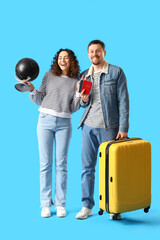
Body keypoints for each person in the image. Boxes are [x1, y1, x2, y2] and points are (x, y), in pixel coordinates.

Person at [76, 40, 129, 220]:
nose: (94, 54)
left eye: (97, 51)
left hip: (110, 128)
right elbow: (82, 104)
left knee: (113, 169)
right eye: (91, 52)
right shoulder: (84, 75)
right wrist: (83, 99)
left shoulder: (116, 72)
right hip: (88, 127)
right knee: (87, 168)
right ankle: (86, 206)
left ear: (104, 52)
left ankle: (114, 207)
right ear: (88, 54)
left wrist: (123, 127)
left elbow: (123, 101)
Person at [24, 49, 81, 218]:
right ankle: (45, 204)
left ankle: (61, 204)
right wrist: (32, 90)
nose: (62, 60)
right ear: (57, 60)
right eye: (60, 57)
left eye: (66, 58)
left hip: (64, 123)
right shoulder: (49, 75)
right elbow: (39, 97)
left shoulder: (75, 80)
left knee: (62, 164)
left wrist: (78, 93)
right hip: (45, 121)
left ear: (71, 61)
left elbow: (74, 107)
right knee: (45, 164)